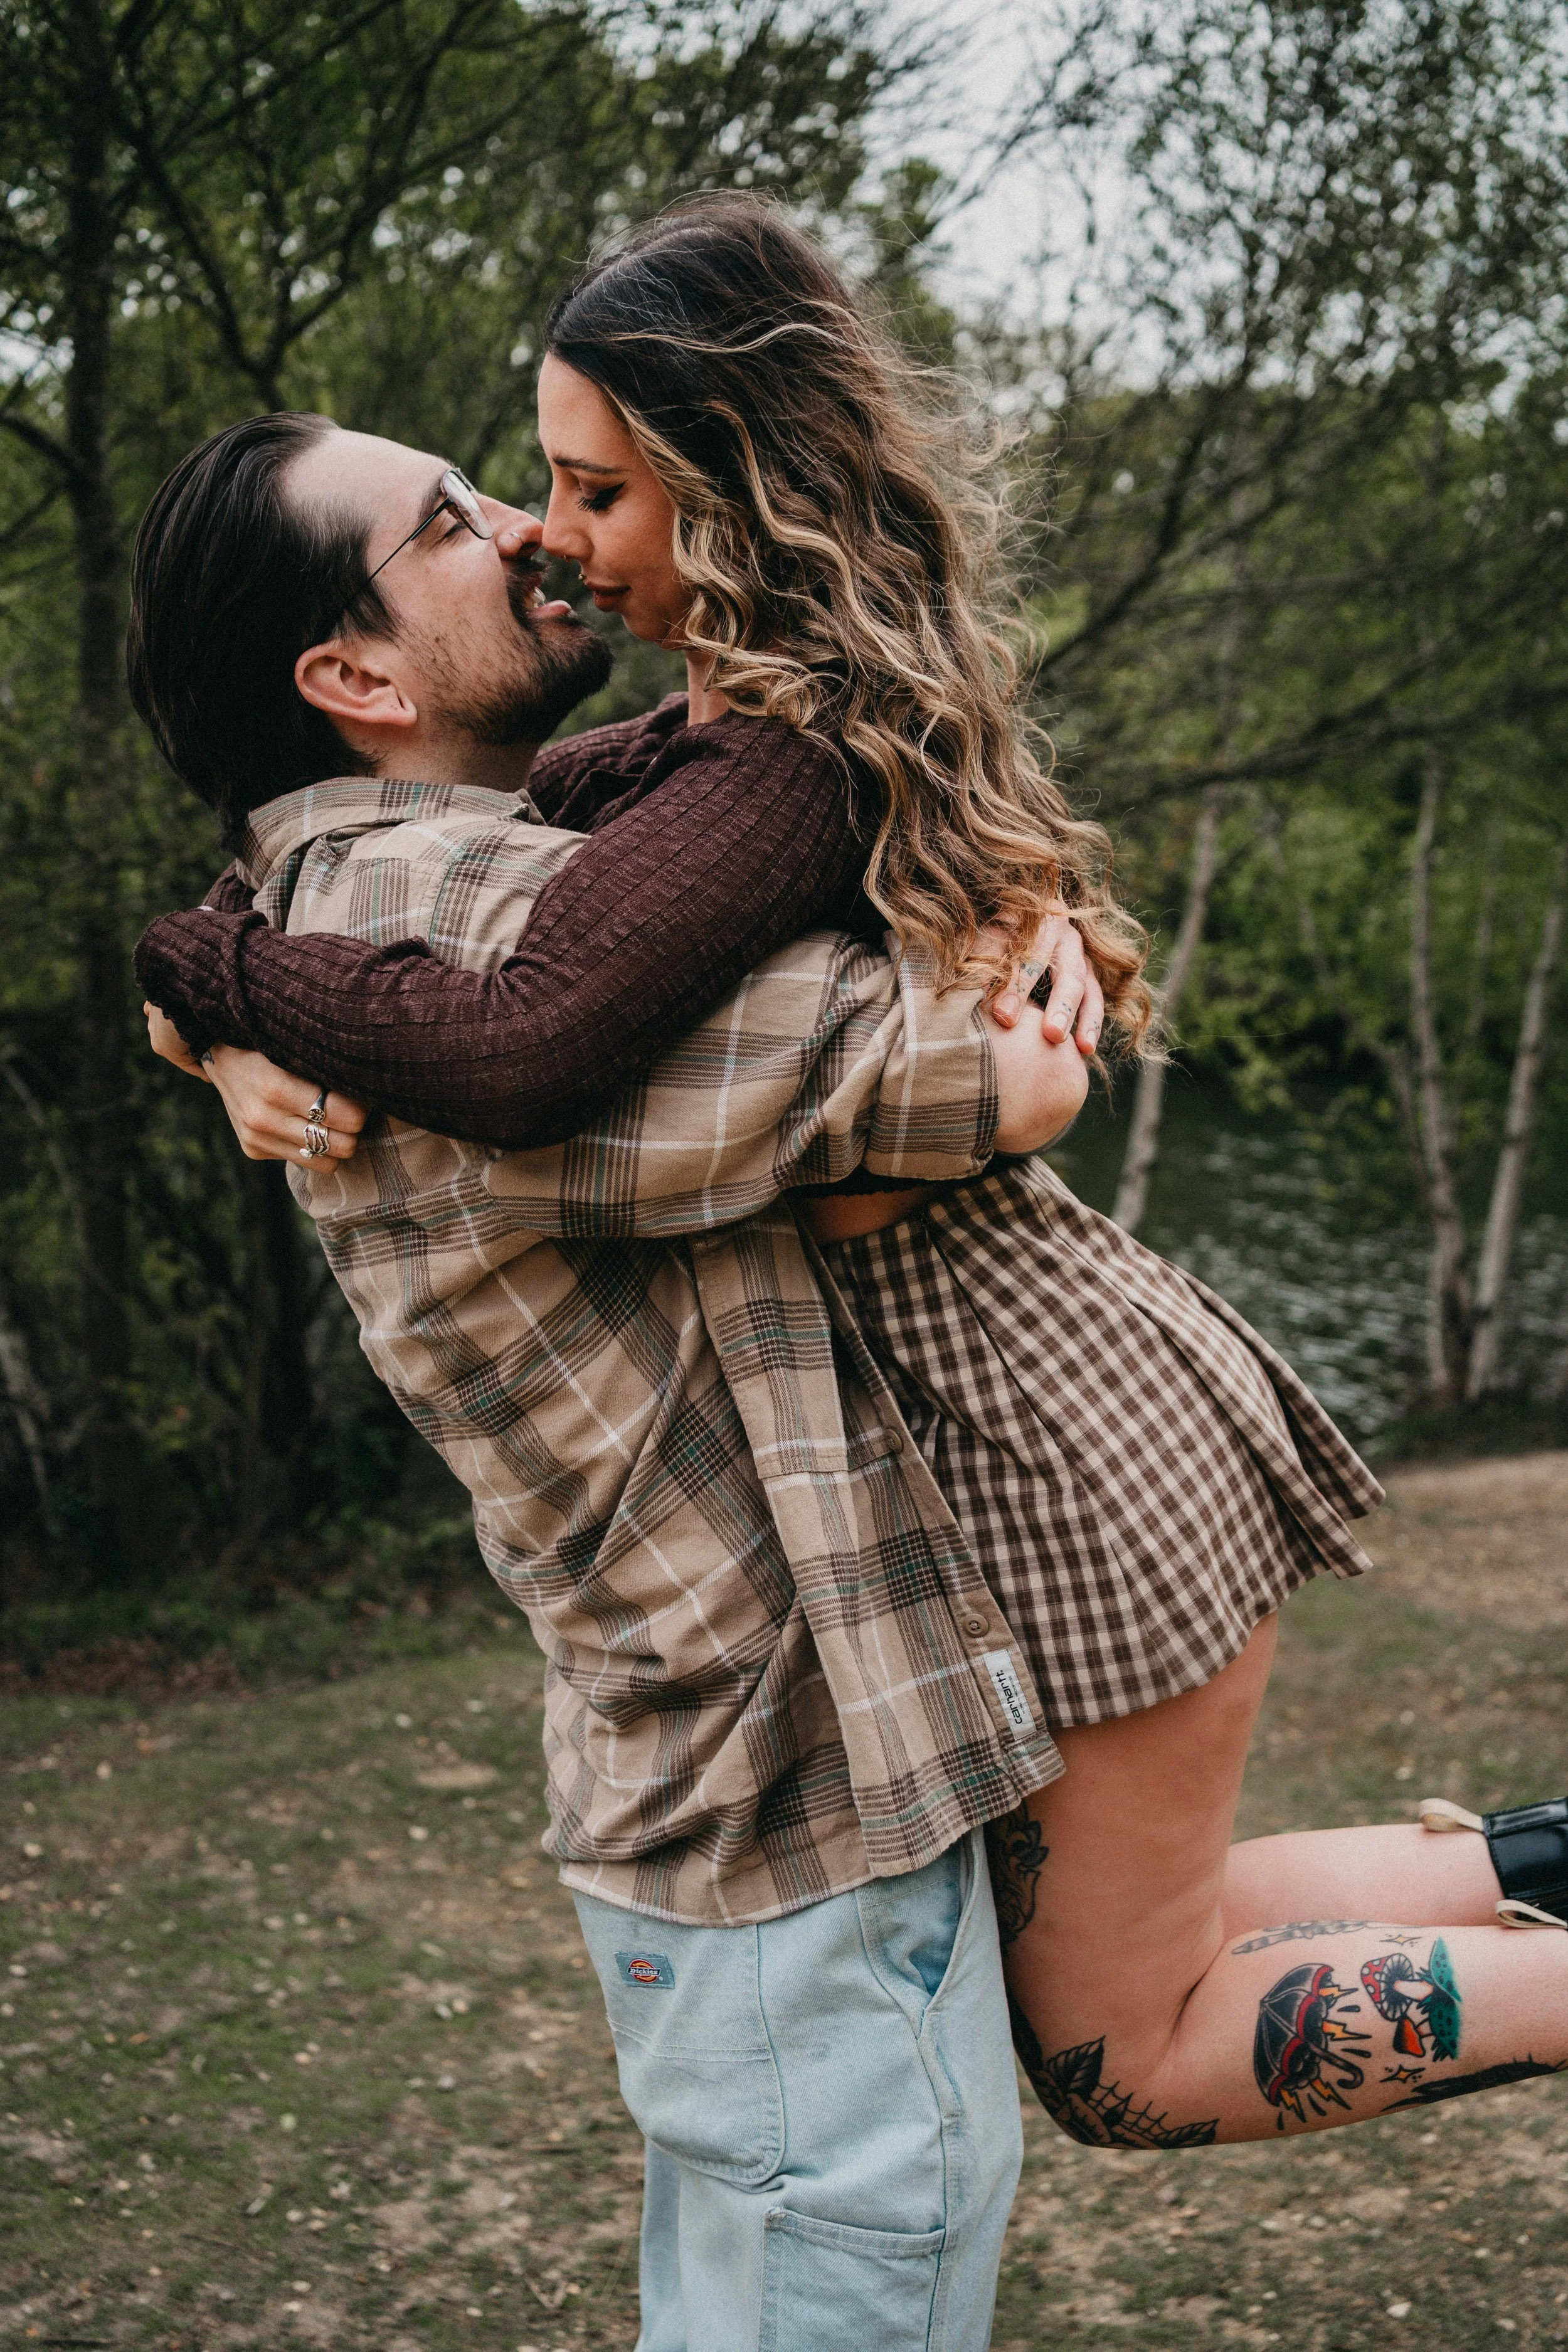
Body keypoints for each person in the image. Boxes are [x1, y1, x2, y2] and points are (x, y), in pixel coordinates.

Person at [139, 199, 1568, 2167]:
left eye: (585, 491)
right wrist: (219, 1009)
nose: (552, 535)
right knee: (1146, 1940)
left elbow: (525, 1043)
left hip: (1044, 1427)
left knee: (1123, 2053)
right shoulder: (716, 731)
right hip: (1020, 1406)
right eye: (511, 498)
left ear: (723, 499)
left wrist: (201, 964)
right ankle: (1542, 1863)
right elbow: (450, 850)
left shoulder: (769, 765)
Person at [128, 406, 1107, 2352]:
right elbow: (967, 1067)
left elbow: (628, 822)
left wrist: (188, 985)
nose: (520, 527)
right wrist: (1017, 926)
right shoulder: (452, 928)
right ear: (353, 674)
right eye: (449, 519)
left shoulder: (377, 890)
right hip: (781, 1814)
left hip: (704, 1813)